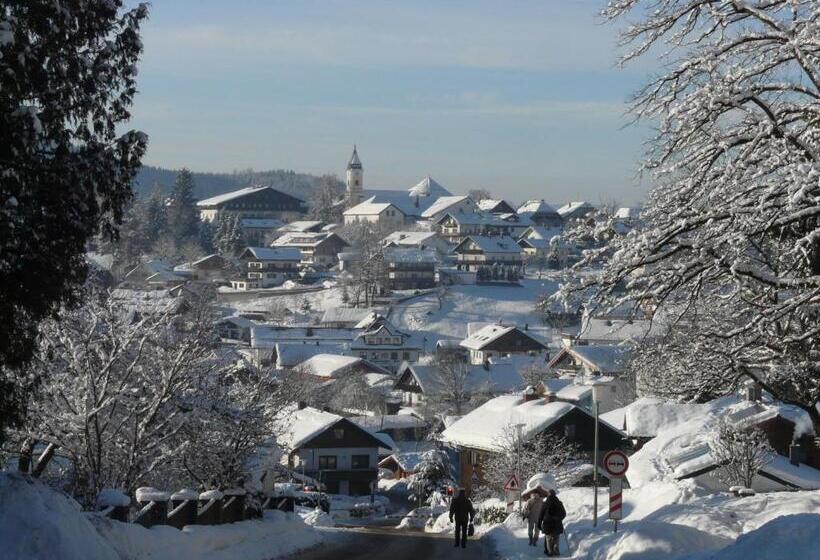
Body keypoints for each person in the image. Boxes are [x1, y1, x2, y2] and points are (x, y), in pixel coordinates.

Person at [538, 488, 566, 556]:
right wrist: (559, 518)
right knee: (556, 537)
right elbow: (564, 513)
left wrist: (539, 524)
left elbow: (541, 514)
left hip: (547, 523)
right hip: (557, 523)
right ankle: (556, 547)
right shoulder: (559, 503)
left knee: (548, 538)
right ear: (555, 495)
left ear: (548, 495)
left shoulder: (545, 503)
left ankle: (550, 552)